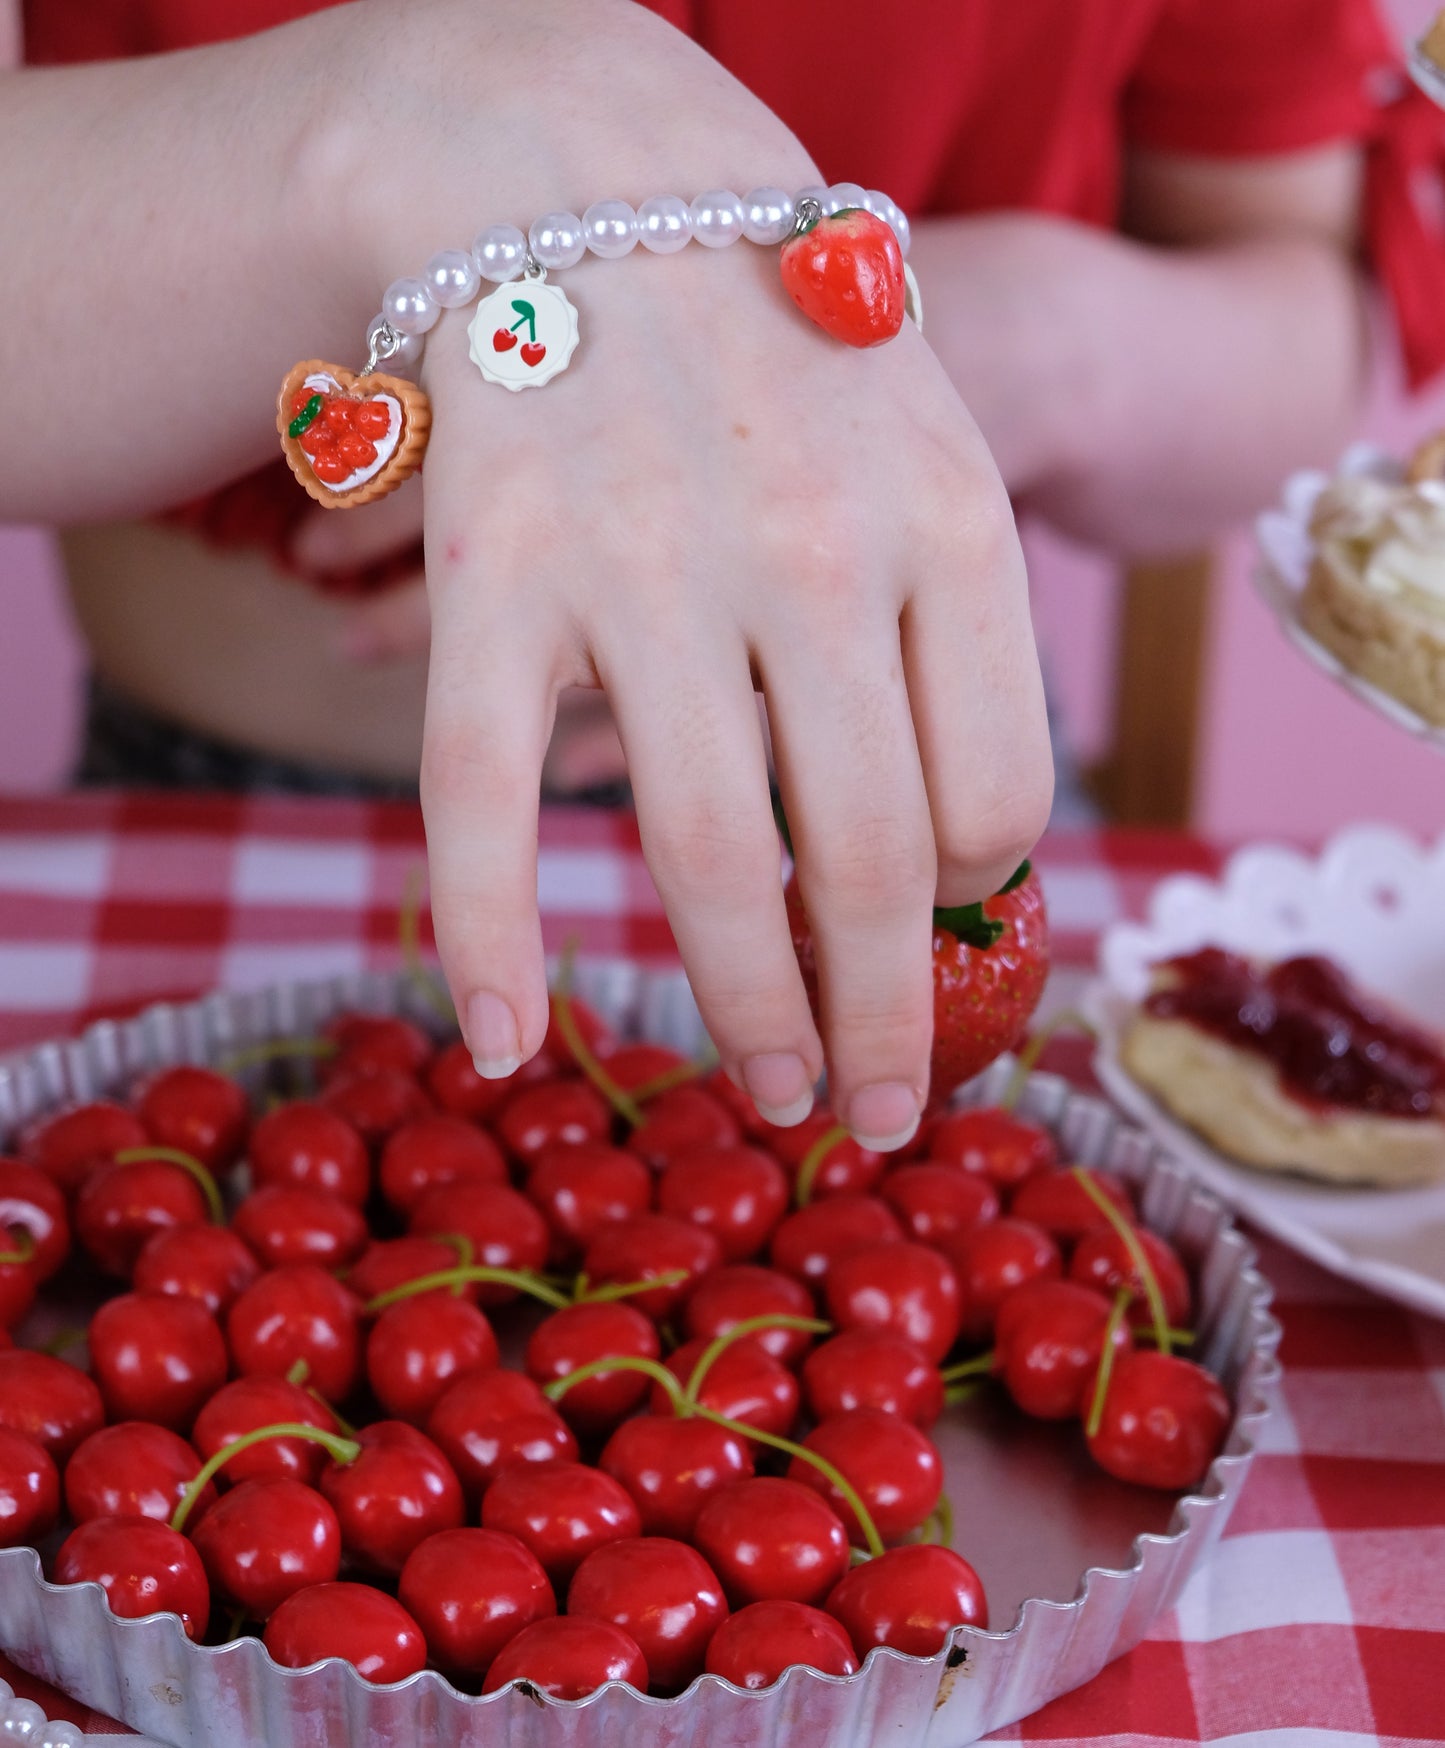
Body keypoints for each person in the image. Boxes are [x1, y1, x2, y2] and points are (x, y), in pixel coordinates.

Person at [5, 0, 1442, 1151]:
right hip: (231, 814)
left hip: (914, 810)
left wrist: (1026, 336)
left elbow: (1301, 320)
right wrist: (390, 115)